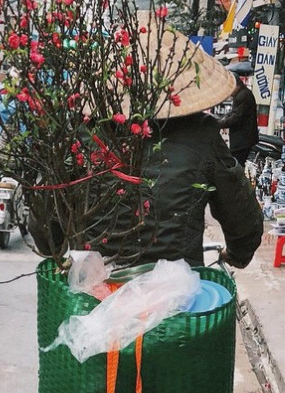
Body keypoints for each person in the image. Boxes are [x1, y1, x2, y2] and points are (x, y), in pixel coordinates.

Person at [29, 22, 264, 270]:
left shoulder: (80, 134)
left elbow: (46, 234)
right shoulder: (202, 134)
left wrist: (55, 244)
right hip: (177, 292)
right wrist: (238, 254)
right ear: (178, 82)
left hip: (94, 289)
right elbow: (241, 216)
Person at [216, 66, 259, 168]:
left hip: (243, 139)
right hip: (241, 138)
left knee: (237, 165)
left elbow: (236, 117)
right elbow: (233, 113)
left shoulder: (243, 96)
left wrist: (219, 124)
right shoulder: (242, 94)